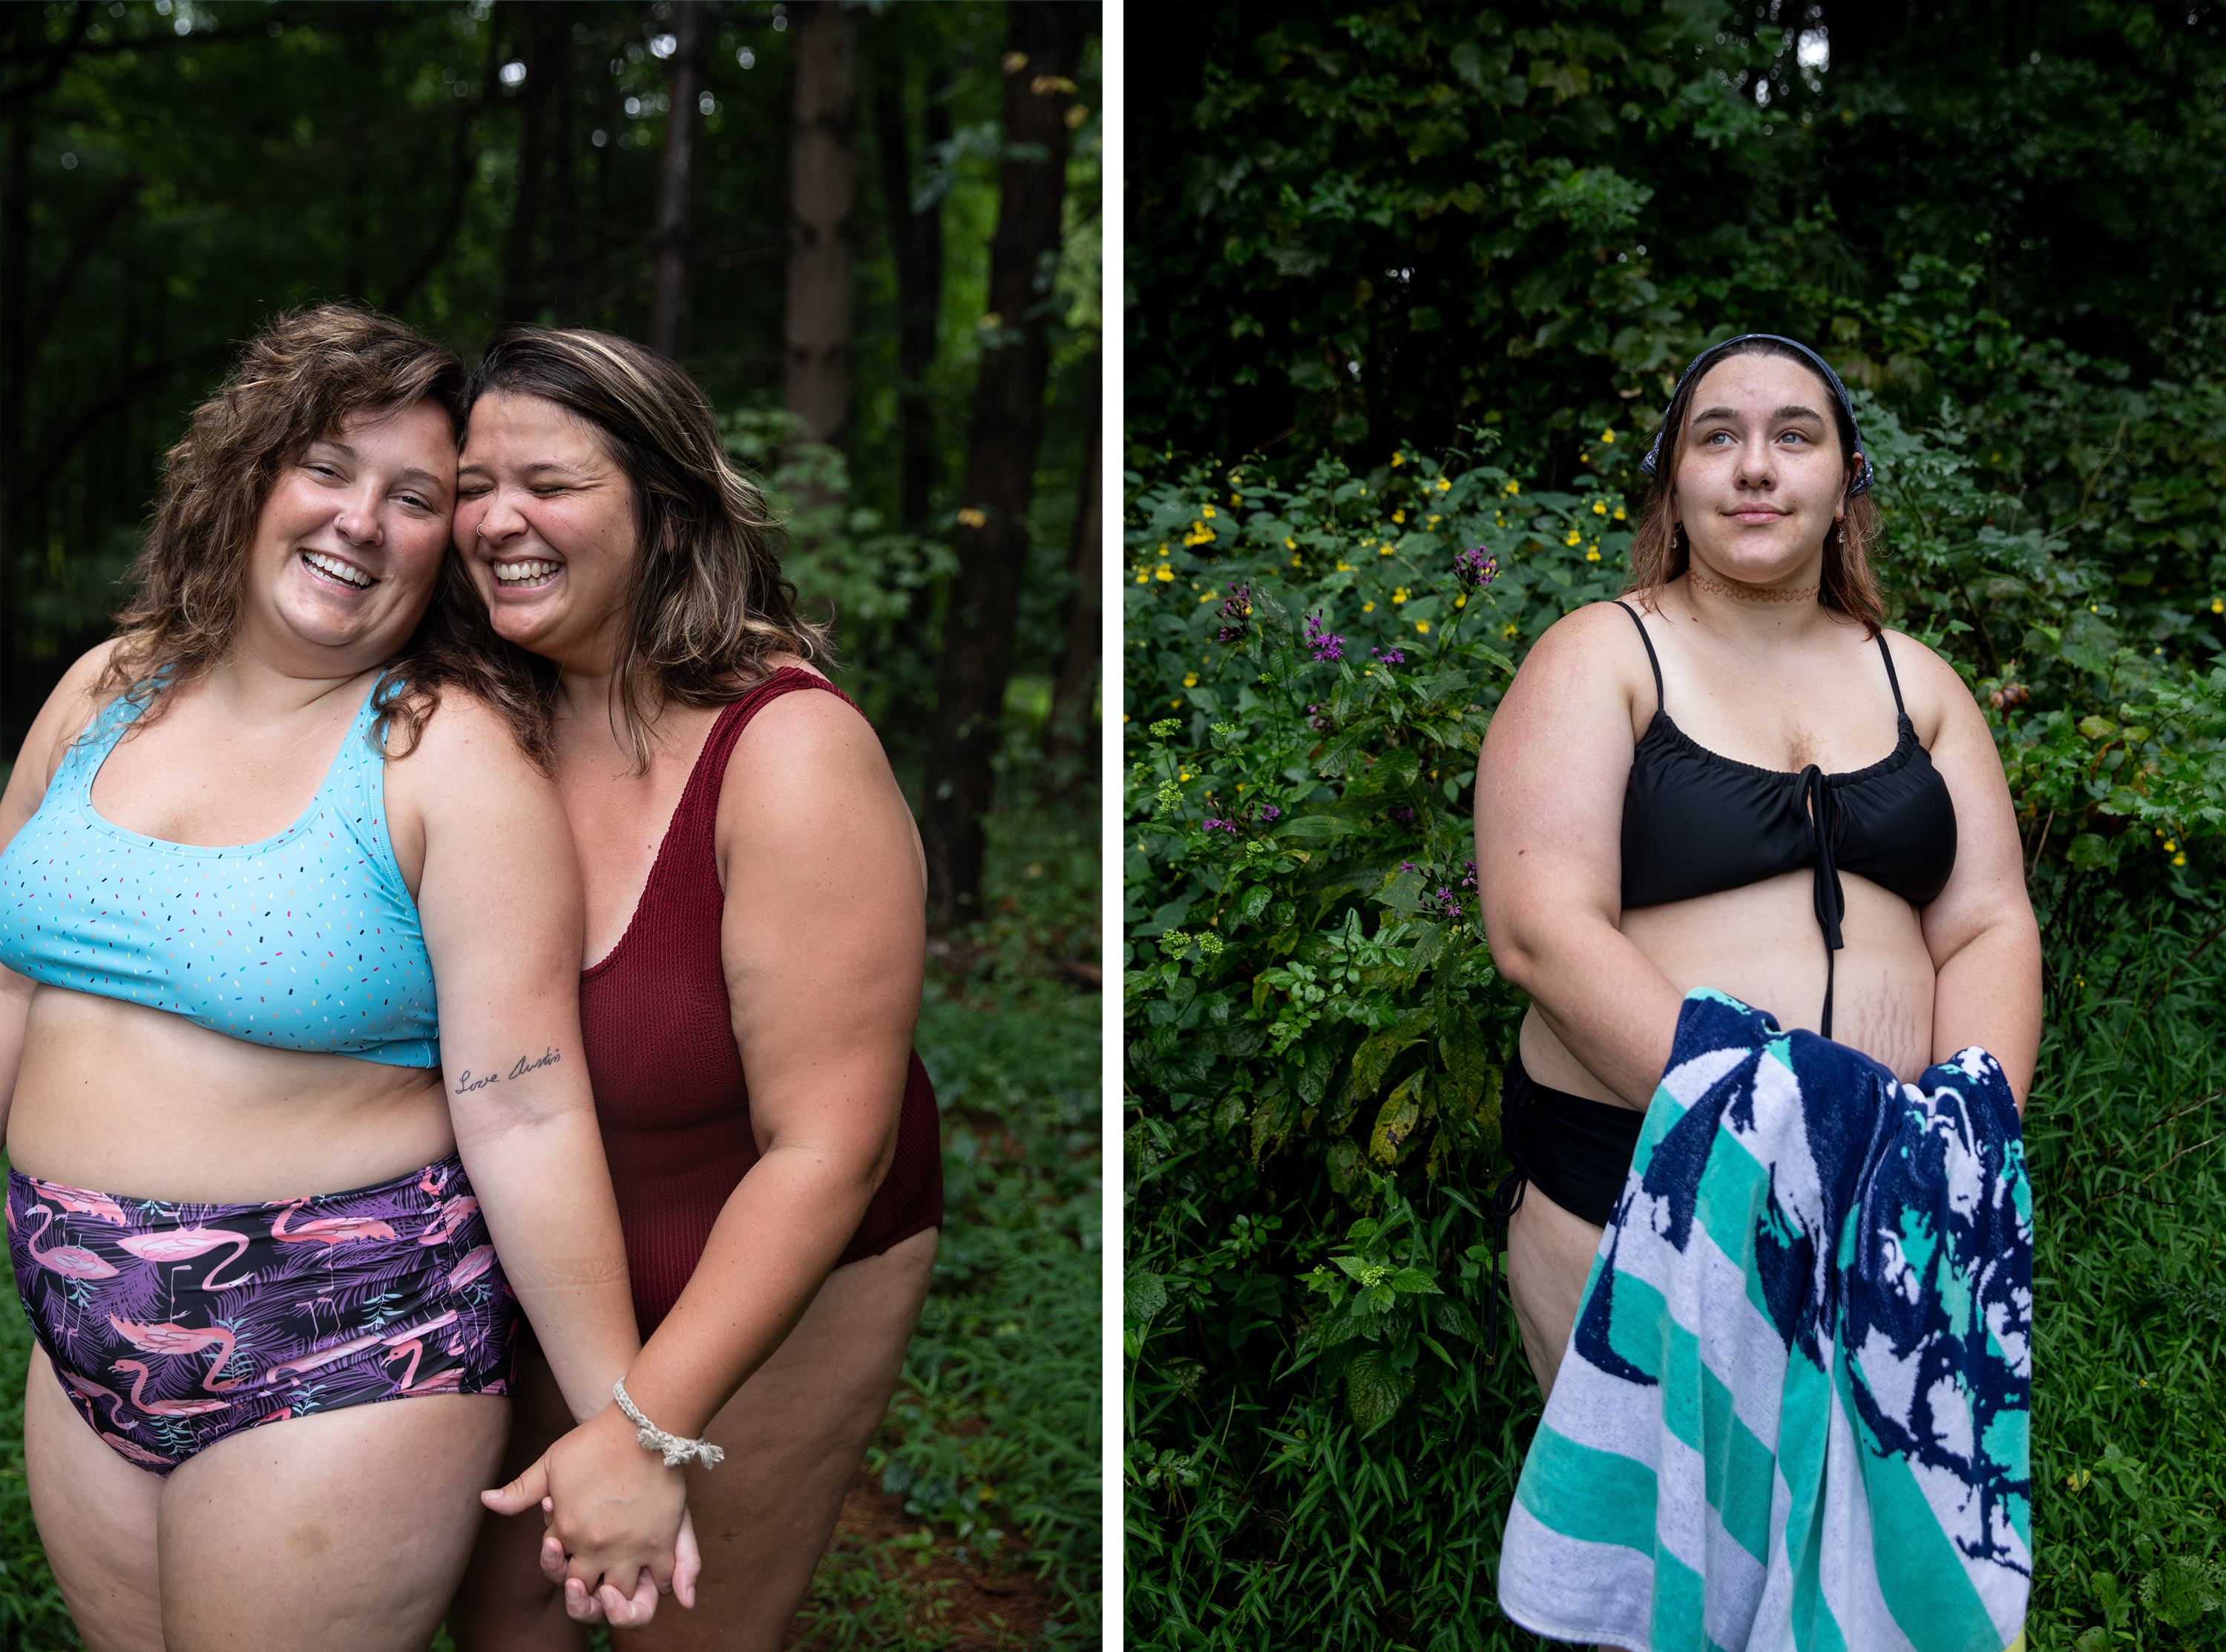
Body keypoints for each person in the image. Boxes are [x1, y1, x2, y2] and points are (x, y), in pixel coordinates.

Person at [0, 304, 690, 1651]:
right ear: (253, 475)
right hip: (77, 1336)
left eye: (416, 497)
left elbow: (531, 1108)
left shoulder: (448, 761)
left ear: (446, 545)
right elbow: (13, 982)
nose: (359, 521)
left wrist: (627, 1425)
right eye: (326, 466)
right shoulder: (106, 690)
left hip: (337, 1356)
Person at [444, 327, 943, 1650]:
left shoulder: (789, 754)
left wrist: (653, 1425)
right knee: (504, 1631)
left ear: (666, 514)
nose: (498, 521)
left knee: (688, 1639)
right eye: (471, 487)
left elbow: (833, 1146)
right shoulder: (469, 725)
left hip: (774, 1270)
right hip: (540, 1269)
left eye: (548, 484)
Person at [1474, 332, 2041, 1405]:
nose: (1755, 466)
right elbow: (1541, 926)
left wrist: (1959, 1146)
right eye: (1717, 436)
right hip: (1645, 1180)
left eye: (1795, 435)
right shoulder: (1603, 653)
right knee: (1660, 1563)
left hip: (1887, 1204)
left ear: (1844, 487)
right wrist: (1768, 1125)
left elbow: (1987, 925)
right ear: (1672, 488)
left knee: (1851, 1561)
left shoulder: (1919, 683)